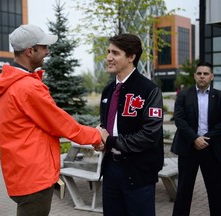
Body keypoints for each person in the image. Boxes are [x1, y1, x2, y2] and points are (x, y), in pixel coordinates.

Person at [0, 24, 102, 216]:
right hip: (35, 174)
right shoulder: (27, 87)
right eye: (44, 47)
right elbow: (60, 123)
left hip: (20, 170)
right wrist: (97, 136)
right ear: (29, 51)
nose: (48, 51)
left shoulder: (6, 83)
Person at [94, 34, 164, 216]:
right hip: (110, 172)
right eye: (108, 52)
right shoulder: (108, 90)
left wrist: (110, 141)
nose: (109, 57)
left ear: (132, 56)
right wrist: (101, 139)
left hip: (138, 174)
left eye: (115, 53)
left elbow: (150, 135)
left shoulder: (149, 90)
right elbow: (106, 126)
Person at [171, 62, 221, 216]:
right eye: (199, 73)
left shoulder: (219, 96)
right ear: (194, 76)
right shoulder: (184, 95)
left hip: (211, 148)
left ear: (211, 77)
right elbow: (179, 119)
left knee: (216, 191)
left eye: (206, 74)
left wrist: (205, 139)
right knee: (184, 191)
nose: (202, 76)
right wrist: (194, 139)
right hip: (188, 148)